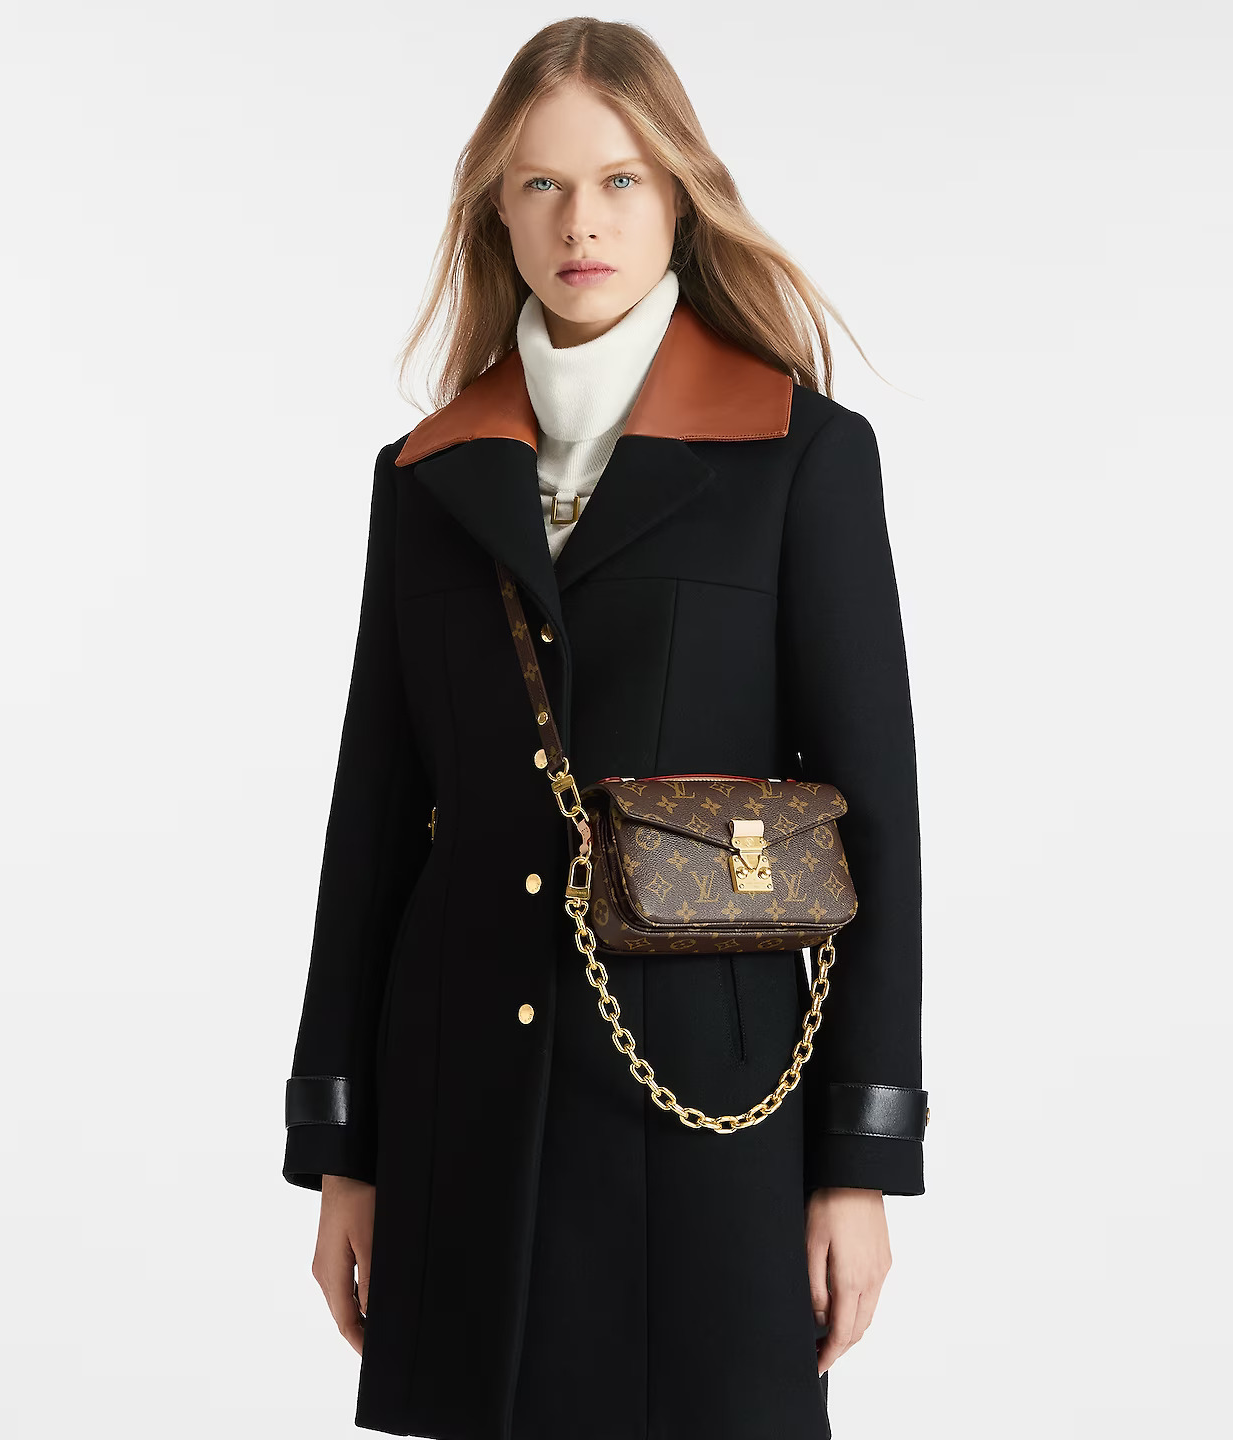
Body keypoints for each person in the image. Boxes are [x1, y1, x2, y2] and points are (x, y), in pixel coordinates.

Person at [282, 17, 927, 1440]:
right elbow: (371, 817)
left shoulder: (802, 457)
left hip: (711, 1100)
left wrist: (859, 1162)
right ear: (498, 214)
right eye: (544, 184)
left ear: (681, 195)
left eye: (622, 179)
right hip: (463, 1096)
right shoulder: (424, 477)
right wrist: (343, 1150)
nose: (583, 220)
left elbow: (873, 813)